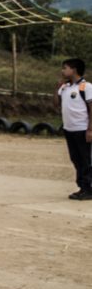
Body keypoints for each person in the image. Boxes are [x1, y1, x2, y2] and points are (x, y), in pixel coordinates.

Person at [55, 58, 92, 200]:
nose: (63, 71)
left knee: (86, 159)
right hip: (69, 129)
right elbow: (55, 104)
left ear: (74, 69)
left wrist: (90, 130)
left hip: (82, 129)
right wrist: (56, 88)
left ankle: (88, 188)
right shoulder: (65, 87)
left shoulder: (86, 87)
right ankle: (83, 186)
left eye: (65, 68)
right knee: (76, 159)